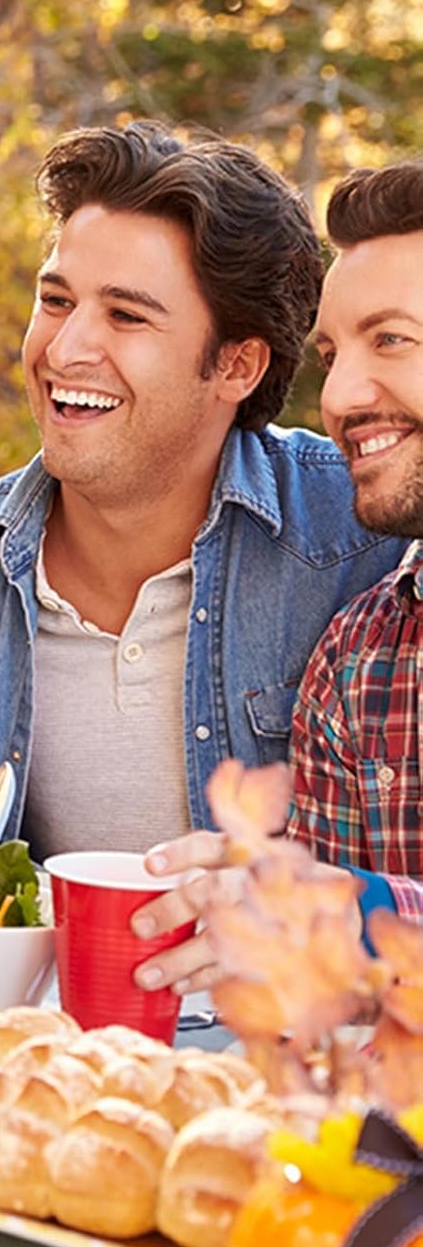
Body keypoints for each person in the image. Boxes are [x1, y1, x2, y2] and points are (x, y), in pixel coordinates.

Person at [0, 122, 404, 866]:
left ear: (237, 366)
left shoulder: (367, 535)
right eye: (57, 300)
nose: (64, 350)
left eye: (126, 316)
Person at [135, 159, 423, 994]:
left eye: (392, 339)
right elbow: (336, 1002)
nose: (341, 396)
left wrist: (352, 919)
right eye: (332, 355)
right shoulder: (361, 659)